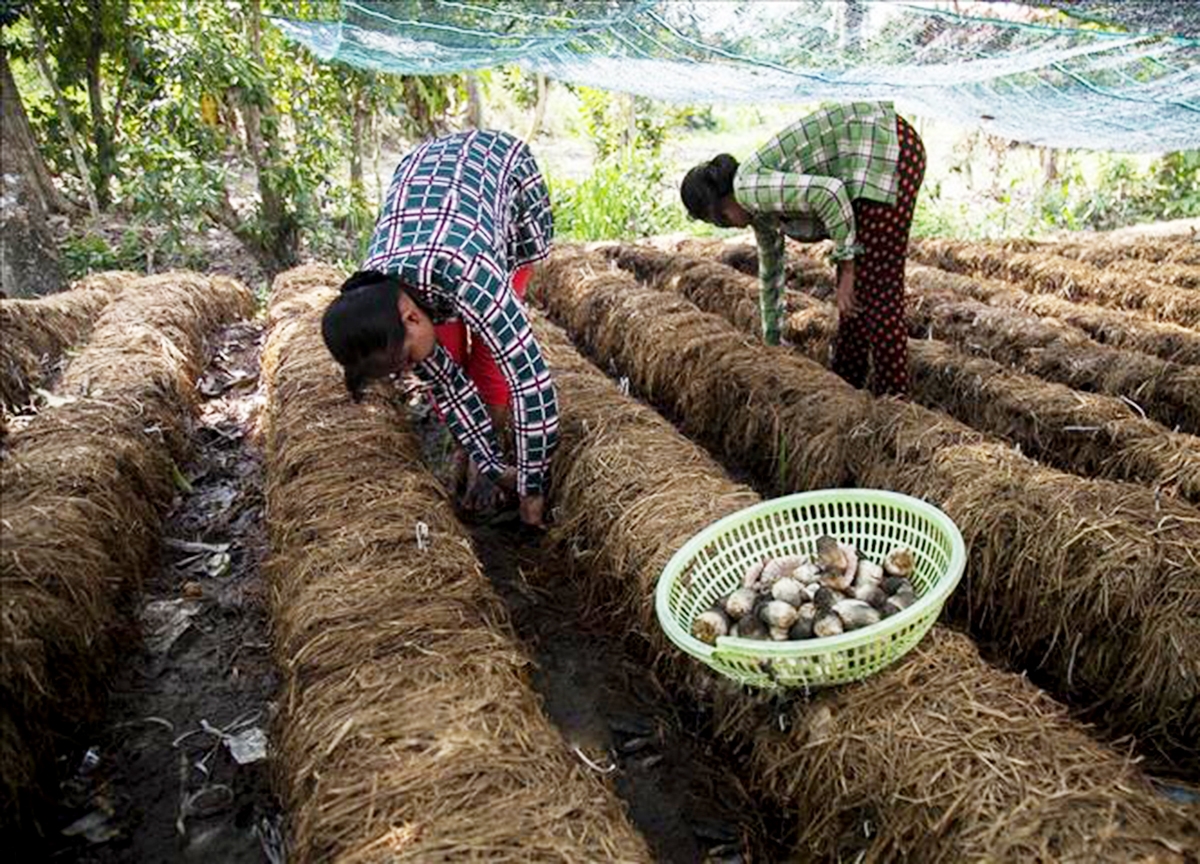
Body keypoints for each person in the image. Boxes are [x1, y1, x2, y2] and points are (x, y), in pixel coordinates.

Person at [321, 129, 557, 528]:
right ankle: (476, 456)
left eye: (407, 360)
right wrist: (495, 466)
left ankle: (488, 454)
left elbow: (531, 384)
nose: (410, 370)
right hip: (427, 199)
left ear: (412, 318)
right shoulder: (379, 293)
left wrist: (532, 487)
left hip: (499, 172)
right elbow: (447, 383)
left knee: (491, 357)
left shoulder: (471, 275)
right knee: (448, 363)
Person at [680, 101, 926, 397]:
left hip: (882, 150)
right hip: (878, 154)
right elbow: (771, 274)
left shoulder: (750, 188)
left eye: (720, 219)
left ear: (720, 201)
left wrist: (847, 269)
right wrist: (771, 340)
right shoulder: (759, 214)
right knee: (854, 301)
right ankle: (847, 386)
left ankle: (895, 402)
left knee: (877, 293)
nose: (730, 226)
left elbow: (830, 193)